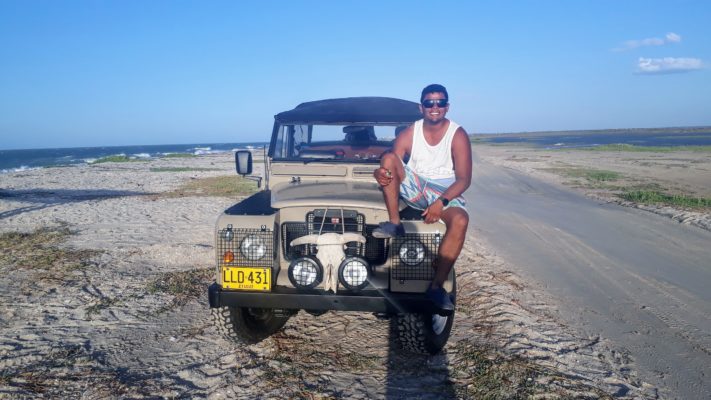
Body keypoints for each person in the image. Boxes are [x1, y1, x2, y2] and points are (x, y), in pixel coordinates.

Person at [373, 84, 472, 311]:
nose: (434, 107)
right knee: (388, 159)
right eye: (429, 103)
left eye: (440, 103)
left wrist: (441, 202)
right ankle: (395, 224)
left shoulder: (457, 134)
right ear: (421, 107)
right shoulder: (411, 132)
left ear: (447, 107)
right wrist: (378, 173)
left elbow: (464, 180)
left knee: (461, 221)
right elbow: (392, 163)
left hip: (445, 191)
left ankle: (437, 286)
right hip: (416, 186)